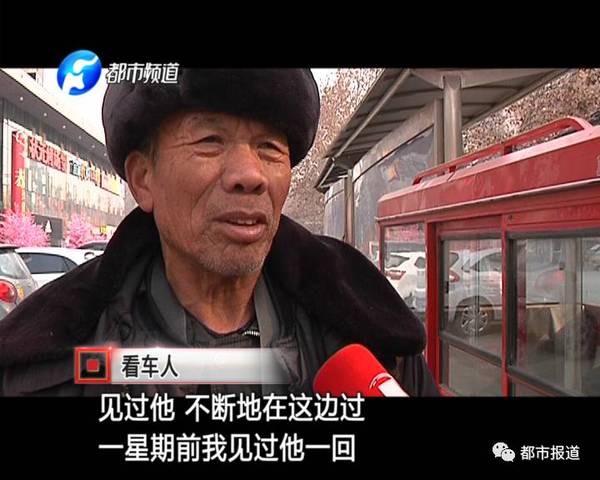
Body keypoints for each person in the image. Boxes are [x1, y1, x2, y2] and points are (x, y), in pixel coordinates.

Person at [0, 69, 438, 396]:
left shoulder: (376, 344)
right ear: (143, 178)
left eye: (269, 148)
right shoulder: (48, 371)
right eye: (210, 140)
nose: (250, 175)